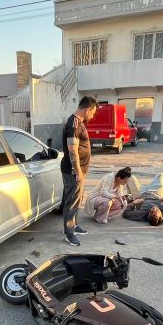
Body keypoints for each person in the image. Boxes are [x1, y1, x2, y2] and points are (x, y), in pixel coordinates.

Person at [61, 96, 98, 246]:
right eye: (93, 112)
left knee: (77, 199)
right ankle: (69, 233)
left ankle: (74, 225)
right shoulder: (74, 123)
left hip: (78, 170)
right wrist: (78, 171)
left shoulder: (79, 122)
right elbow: (72, 150)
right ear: (87, 109)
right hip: (73, 171)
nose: (93, 115)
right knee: (71, 202)